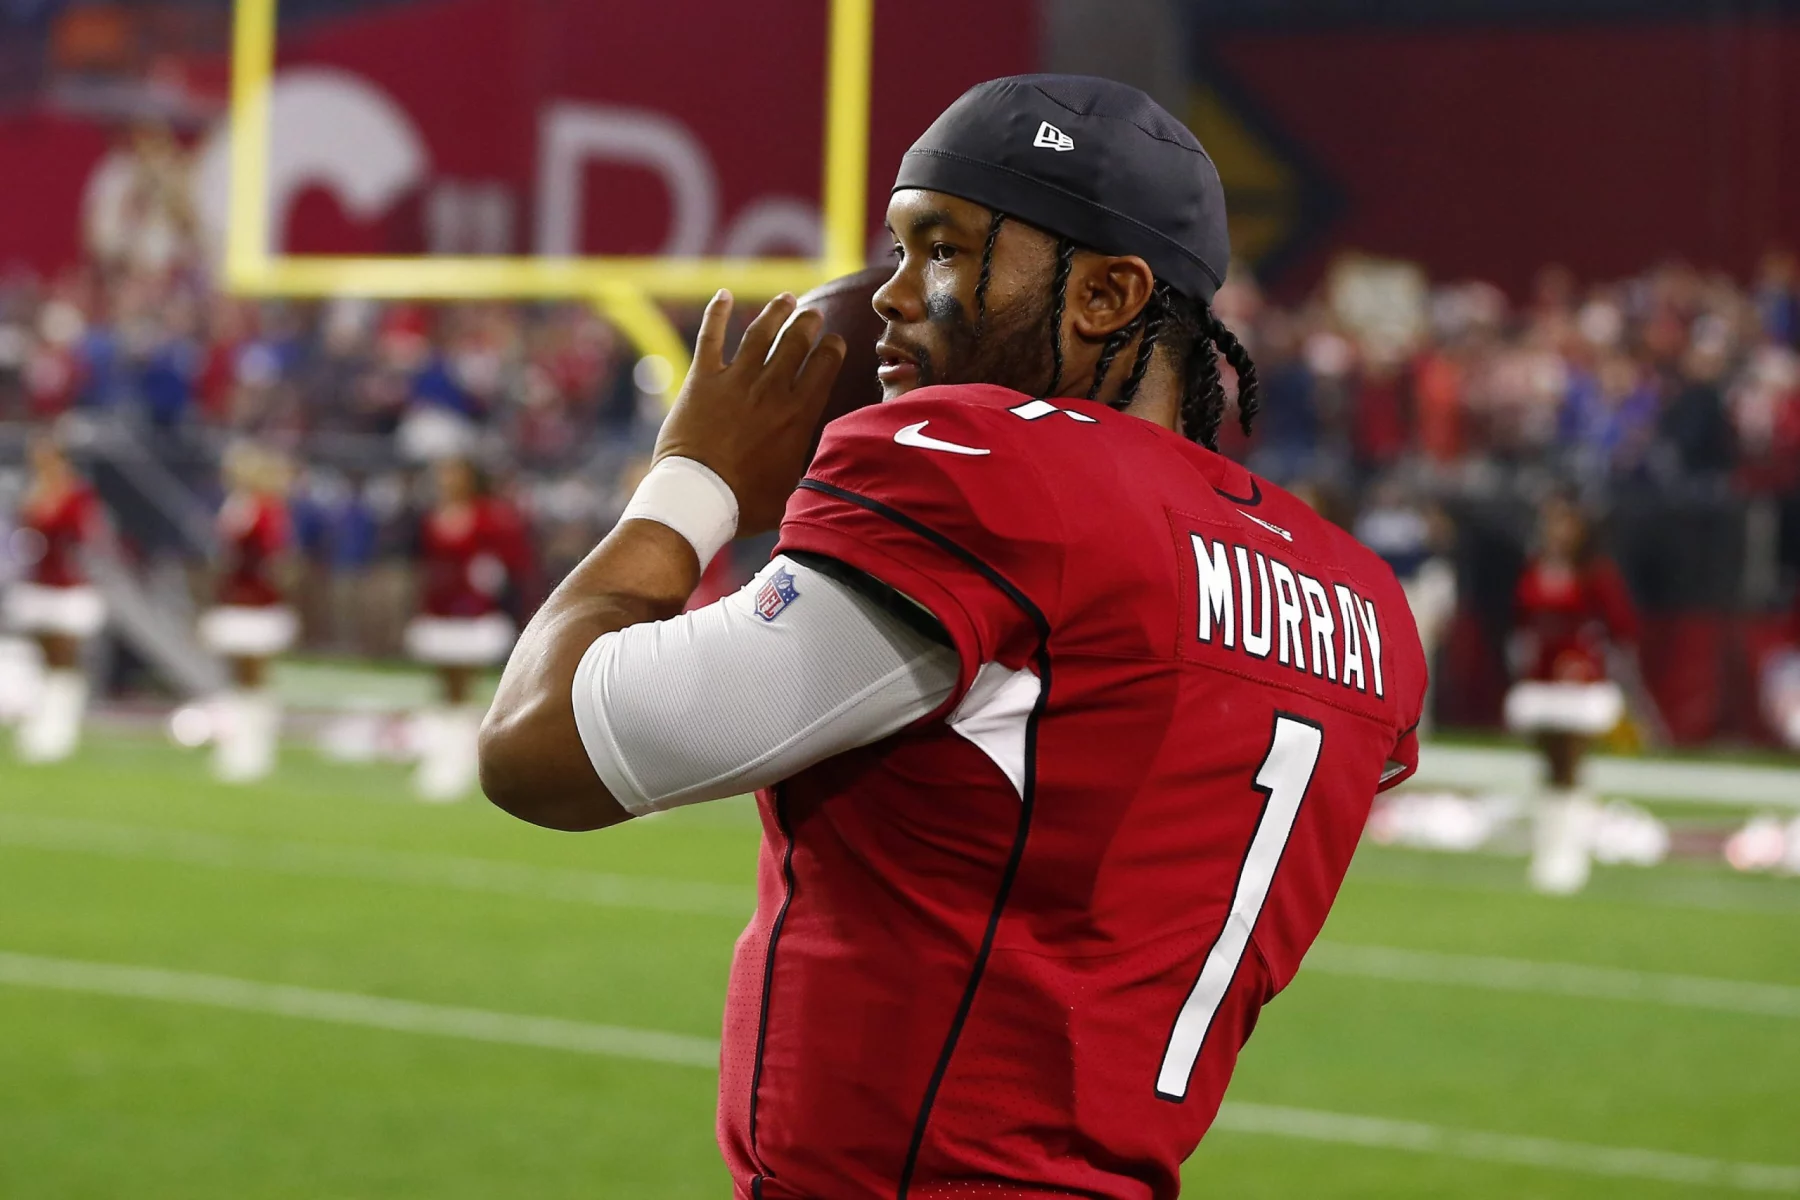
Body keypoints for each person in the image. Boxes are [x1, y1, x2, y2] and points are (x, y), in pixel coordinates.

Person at [478, 76, 1426, 1199]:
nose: (886, 295)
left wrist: (694, 483)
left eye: (941, 248)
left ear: (1109, 296)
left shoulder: (991, 471)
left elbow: (541, 750)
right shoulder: (1357, 596)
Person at [1504, 493, 1641, 893]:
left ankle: (1570, 852)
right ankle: (1549, 845)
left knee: (1570, 764)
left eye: (1565, 523)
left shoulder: (1596, 572)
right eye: (1551, 522)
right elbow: (1521, 617)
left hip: (1580, 682)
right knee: (1549, 766)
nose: (1556, 530)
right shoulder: (1536, 567)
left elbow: (1621, 625)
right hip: (1541, 677)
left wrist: (1592, 656)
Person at [405, 456, 533, 801]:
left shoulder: (488, 515)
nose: (446, 480)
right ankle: (440, 753)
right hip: (439, 608)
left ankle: (460, 760)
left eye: (453, 473)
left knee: (464, 685)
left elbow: (512, 559)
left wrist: (491, 580)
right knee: (443, 685)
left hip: (473, 612)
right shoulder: (435, 514)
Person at [196, 441, 297, 783]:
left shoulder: (268, 509)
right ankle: (236, 744)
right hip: (233, 598)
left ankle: (258, 749)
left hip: (258, 601)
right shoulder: (234, 506)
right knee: (238, 677)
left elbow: (276, 558)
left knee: (256, 677)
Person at [4, 435, 108, 762]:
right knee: (41, 660)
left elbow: (84, 537)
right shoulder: (34, 490)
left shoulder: (77, 494)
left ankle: (60, 729)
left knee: (65, 660)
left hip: (67, 586)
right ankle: (40, 724)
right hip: (38, 584)